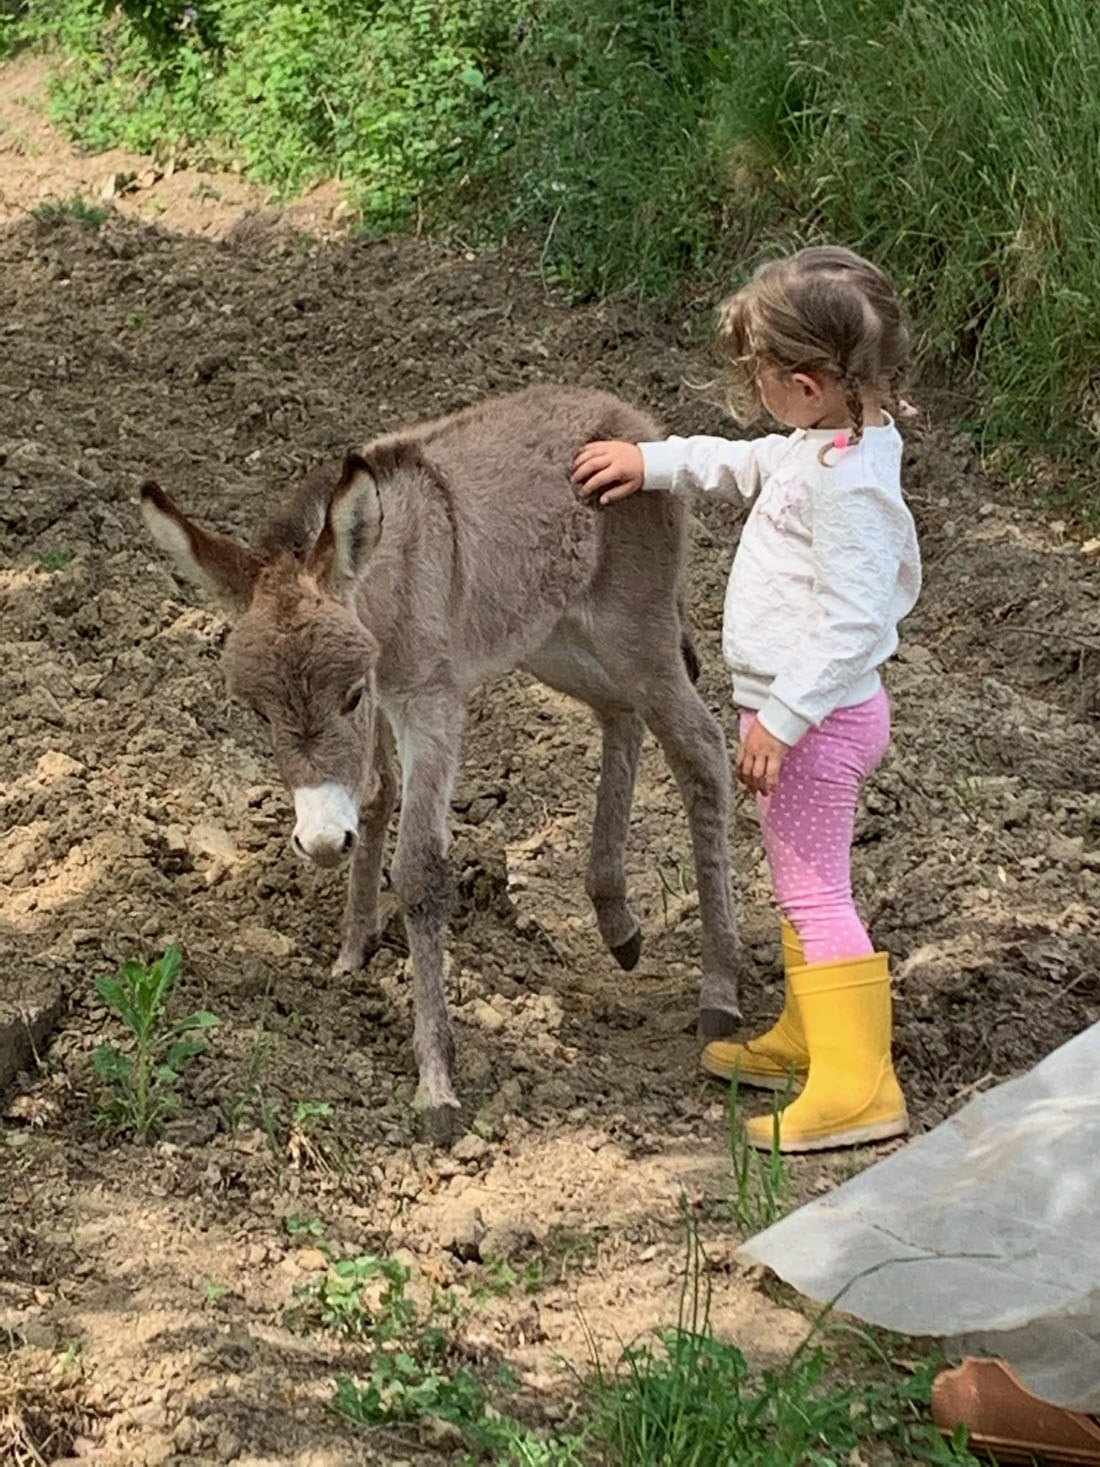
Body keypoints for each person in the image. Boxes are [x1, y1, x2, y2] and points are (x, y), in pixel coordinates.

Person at [571, 245, 921, 1153]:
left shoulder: (849, 488)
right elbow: (741, 462)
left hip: (817, 723)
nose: (750, 388)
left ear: (806, 385)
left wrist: (783, 720)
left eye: (757, 374)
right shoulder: (828, 444)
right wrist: (650, 461)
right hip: (805, 718)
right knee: (803, 885)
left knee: (816, 894)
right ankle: (813, 1033)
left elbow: (851, 625)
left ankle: (858, 1085)